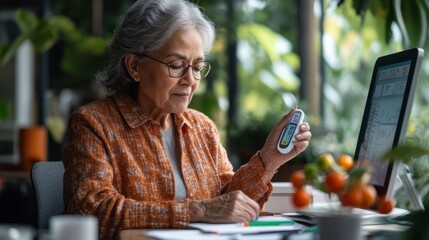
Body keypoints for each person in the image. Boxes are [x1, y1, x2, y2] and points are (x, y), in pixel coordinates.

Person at [62, 0, 312, 239]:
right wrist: (198, 211)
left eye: (197, 67)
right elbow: (91, 210)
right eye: (176, 65)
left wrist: (268, 160)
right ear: (134, 67)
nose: (190, 80)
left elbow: (227, 203)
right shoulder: (93, 123)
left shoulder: (202, 128)